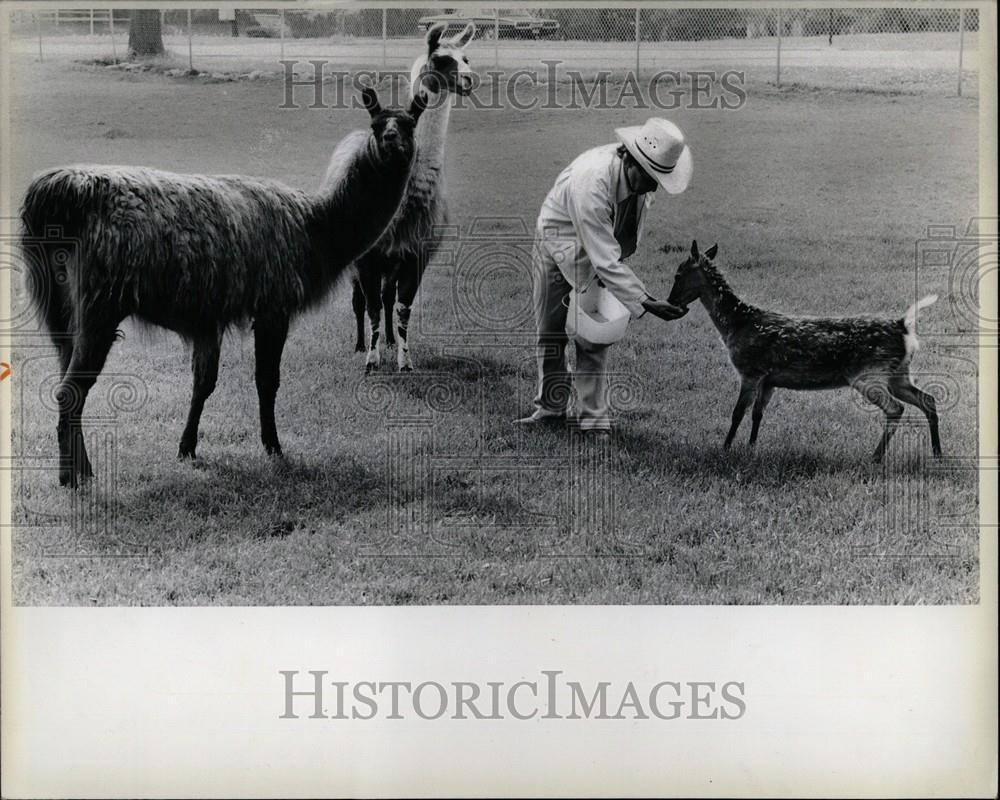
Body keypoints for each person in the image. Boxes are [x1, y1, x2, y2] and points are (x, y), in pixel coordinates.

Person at [516, 118, 692, 435]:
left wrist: (618, 282)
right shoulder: (592, 181)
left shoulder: (639, 182)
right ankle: (551, 407)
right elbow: (604, 257)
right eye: (652, 177)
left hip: (599, 249)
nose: (654, 187)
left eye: (659, 179)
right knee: (550, 331)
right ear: (630, 158)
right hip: (556, 244)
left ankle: (593, 422)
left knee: (593, 334)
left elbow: (618, 244)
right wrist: (646, 301)